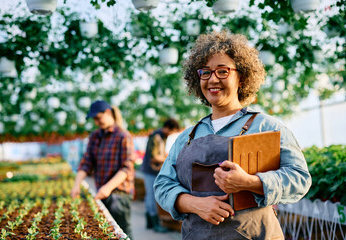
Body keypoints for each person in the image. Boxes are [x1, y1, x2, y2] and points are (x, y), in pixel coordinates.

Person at [154, 31, 312, 239]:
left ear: (242, 78)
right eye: (206, 72)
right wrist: (195, 204)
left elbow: (299, 178)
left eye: (222, 71)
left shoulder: (267, 127)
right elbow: (163, 185)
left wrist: (250, 182)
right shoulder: (187, 137)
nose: (212, 79)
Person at [71, 100, 135, 239]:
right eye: (94, 119)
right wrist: (76, 185)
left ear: (107, 113)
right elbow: (87, 162)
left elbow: (127, 167)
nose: (96, 122)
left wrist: (108, 188)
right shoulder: (95, 136)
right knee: (107, 231)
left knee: (123, 231)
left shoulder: (123, 136)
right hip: (102, 191)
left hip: (119, 193)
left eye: (98, 118)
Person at [141, 118, 180, 232]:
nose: (172, 134)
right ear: (167, 128)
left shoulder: (160, 136)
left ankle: (150, 223)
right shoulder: (156, 137)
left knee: (150, 196)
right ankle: (155, 223)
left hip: (152, 170)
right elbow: (153, 157)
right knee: (152, 196)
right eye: (172, 131)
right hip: (151, 170)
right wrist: (168, 159)